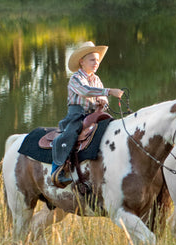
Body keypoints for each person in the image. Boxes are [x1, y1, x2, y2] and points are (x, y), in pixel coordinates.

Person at [51, 41, 124, 187]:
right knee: (71, 133)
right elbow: (85, 90)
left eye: (97, 60)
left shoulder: (97, 79)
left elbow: (102, 97)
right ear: (82, 61)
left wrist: (103, 102)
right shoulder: (75, 78)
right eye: (92, 60)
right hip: (77, 114)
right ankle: (57, 170)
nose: (96, 63)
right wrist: (109, 91)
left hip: (94, 114)